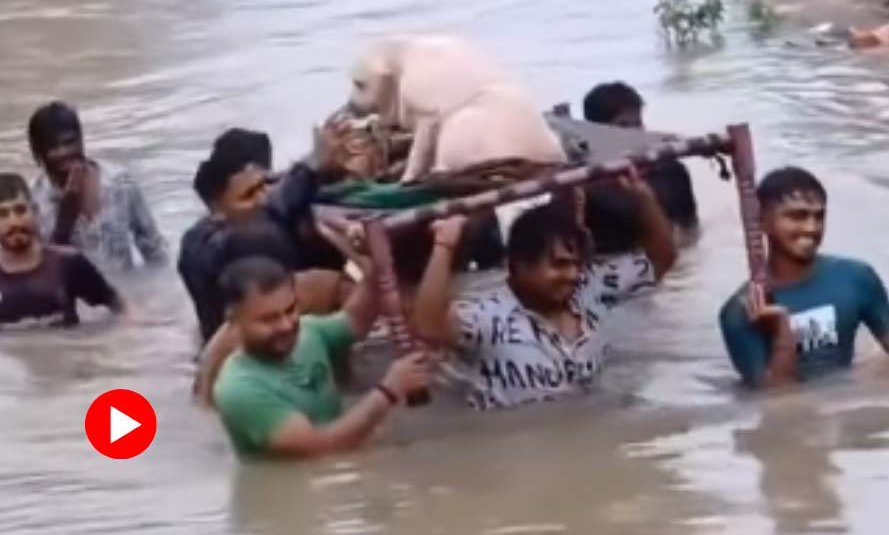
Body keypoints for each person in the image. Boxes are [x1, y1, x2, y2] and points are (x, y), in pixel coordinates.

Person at [412, 173, 675, 410]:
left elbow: (661, 258)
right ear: (519, 266)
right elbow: (428, 325)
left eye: (576, 264)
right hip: (517, 448)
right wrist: (444, 245)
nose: (572, 275)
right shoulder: (489, 317)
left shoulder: (590, 292)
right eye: (559, 265)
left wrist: (644, 198)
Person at [212, 256, 429, 458]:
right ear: (233, 320)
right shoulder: (238, 389)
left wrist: (376, 265)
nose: (286, 325)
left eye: (290, 310)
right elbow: (318, 448)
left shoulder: (308, 333)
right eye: (269, 319)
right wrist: (388, 392)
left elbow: (355, 321)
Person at [719, 167, 889, 389]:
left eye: (819, 216)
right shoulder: (742, 310)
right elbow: (778, 404)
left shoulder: (857, 278)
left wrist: (861, 381)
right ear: (762, 222)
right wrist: (782, 334)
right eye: (797, 216)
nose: (811, 228)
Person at [178, 128, 345, 344]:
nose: (263, 199)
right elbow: (242, 241)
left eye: (262, 186)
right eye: (248, 195)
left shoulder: (251, 213)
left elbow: (280, 197)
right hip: (234, 353)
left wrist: (321, 165)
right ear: (216, 210)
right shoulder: (207, 246)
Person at [27, 101, 168, 270]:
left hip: (128, 292)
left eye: (69, 142)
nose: (64, 152)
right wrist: (65, 218)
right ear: (37, 154)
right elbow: (38, 271)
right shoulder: (32, 200)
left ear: (81, 140)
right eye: (53, 148)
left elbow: (154, 248)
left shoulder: (120, 183)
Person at [0, 172, 125, 329]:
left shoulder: (68, 263)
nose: (14, 221)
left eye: (20, 210)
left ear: (35, 211)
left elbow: (122, 309)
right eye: (2, 214)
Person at [582, 81, 699, 237]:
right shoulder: (583, 190)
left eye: (638, 123)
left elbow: (691, 233)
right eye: (623, 126)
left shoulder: (671, 172)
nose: (635, 133)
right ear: (596, 133)